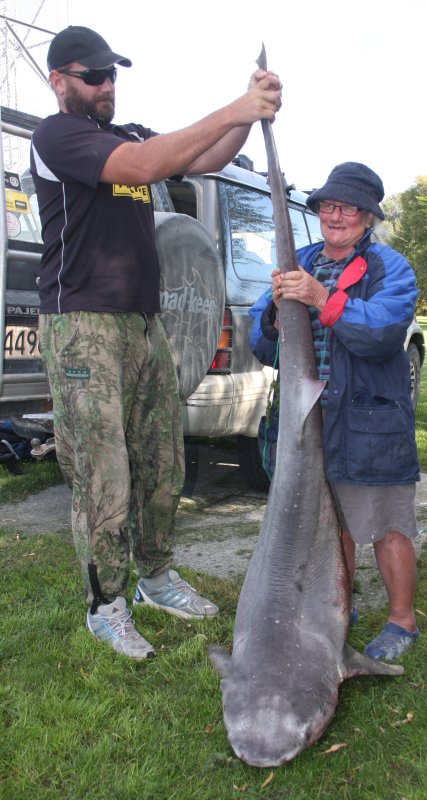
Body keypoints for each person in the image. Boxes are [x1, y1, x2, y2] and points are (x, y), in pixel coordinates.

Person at [30, 25, 282, 660]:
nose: (107, 85)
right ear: (60, 81)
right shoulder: (57, 137)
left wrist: (251, 108)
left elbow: (207, 157)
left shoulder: (130, 135)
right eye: (94, 76)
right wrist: (237, 109)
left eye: (114, 74)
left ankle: (156, 578)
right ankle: (106, 603)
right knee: (102, 472)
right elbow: (143, 168)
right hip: (81, 327)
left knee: (163, 460)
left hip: (144, 325)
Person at [249, 162, 420, 661]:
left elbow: (383, 332)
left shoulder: (391, 268)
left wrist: (323, 297)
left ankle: (401, 620)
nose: (336, 215)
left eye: (347, 207)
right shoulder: (296, 261)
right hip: (305, 420)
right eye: (328, 205)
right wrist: (274, 317)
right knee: (328, 527)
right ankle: (340, 608)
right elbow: (261, 342)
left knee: (386, 524)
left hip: (368, 420)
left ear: (367, 217)